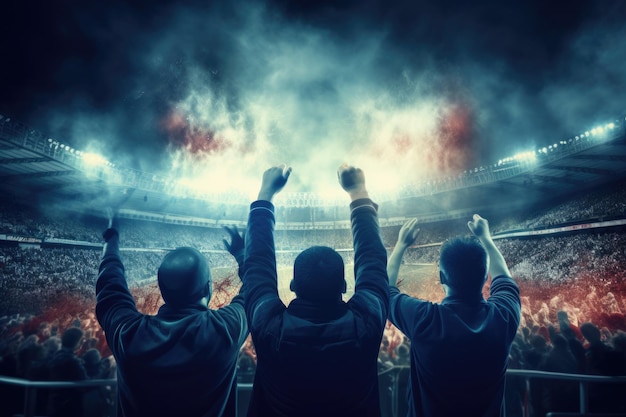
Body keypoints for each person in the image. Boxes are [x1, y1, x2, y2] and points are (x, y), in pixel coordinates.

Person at [243, 164, 389, 417]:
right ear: (344, 287)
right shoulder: (366, 323)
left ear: (292, 287)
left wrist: (265, 194)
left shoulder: (269, 326)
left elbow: (258, 265)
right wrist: (357, 191)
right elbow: (373, 260)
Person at [96, 213, 248, 417]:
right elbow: (256, 288)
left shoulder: (128, 334)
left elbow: (109, 283)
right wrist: (242, 255)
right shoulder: (225, 330)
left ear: (163, 291)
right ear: (208, 288)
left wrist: (111, 237)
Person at [387, 215, 521, 417]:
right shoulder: (503, 317)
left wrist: (400, 245)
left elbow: (384, 290)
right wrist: (486, 238)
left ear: (441, 277)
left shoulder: (425, 319)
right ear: (486, 277)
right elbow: (503, 276)